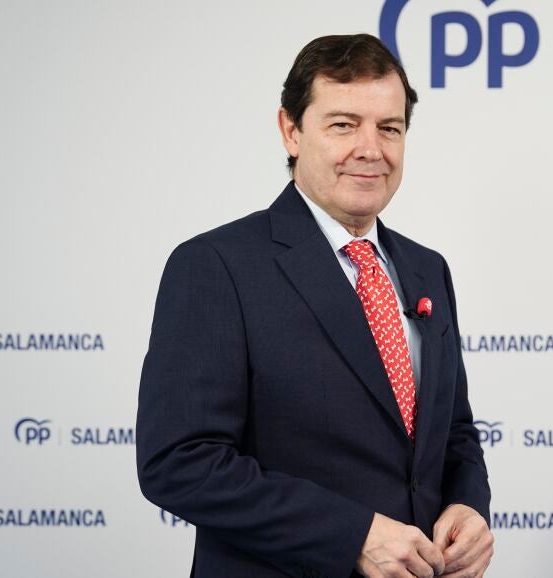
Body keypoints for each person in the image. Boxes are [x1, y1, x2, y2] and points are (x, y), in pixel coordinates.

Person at [136, 33, 493, 578]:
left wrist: (468, 505)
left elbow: (454, 433)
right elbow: (179, 463)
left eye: (389, 128)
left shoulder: (428, 269)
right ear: (291, 130)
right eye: (343, 125)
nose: (370, 149)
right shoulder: (216, 265)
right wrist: (352, 536)